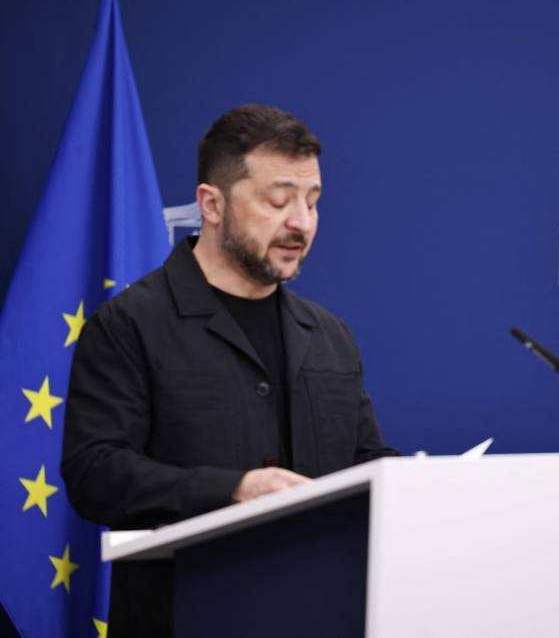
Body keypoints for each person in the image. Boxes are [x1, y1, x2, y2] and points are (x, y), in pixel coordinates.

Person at [61, 104, 398, 636]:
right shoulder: (130, 324)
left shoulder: (329, 335)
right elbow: (95, 475)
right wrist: (236, 490)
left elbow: (364, 459)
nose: (301, 223)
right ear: (211, 204)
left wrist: (416, 482)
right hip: (180, 616)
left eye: (312, 202)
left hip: (326, 611)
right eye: (278, 200)